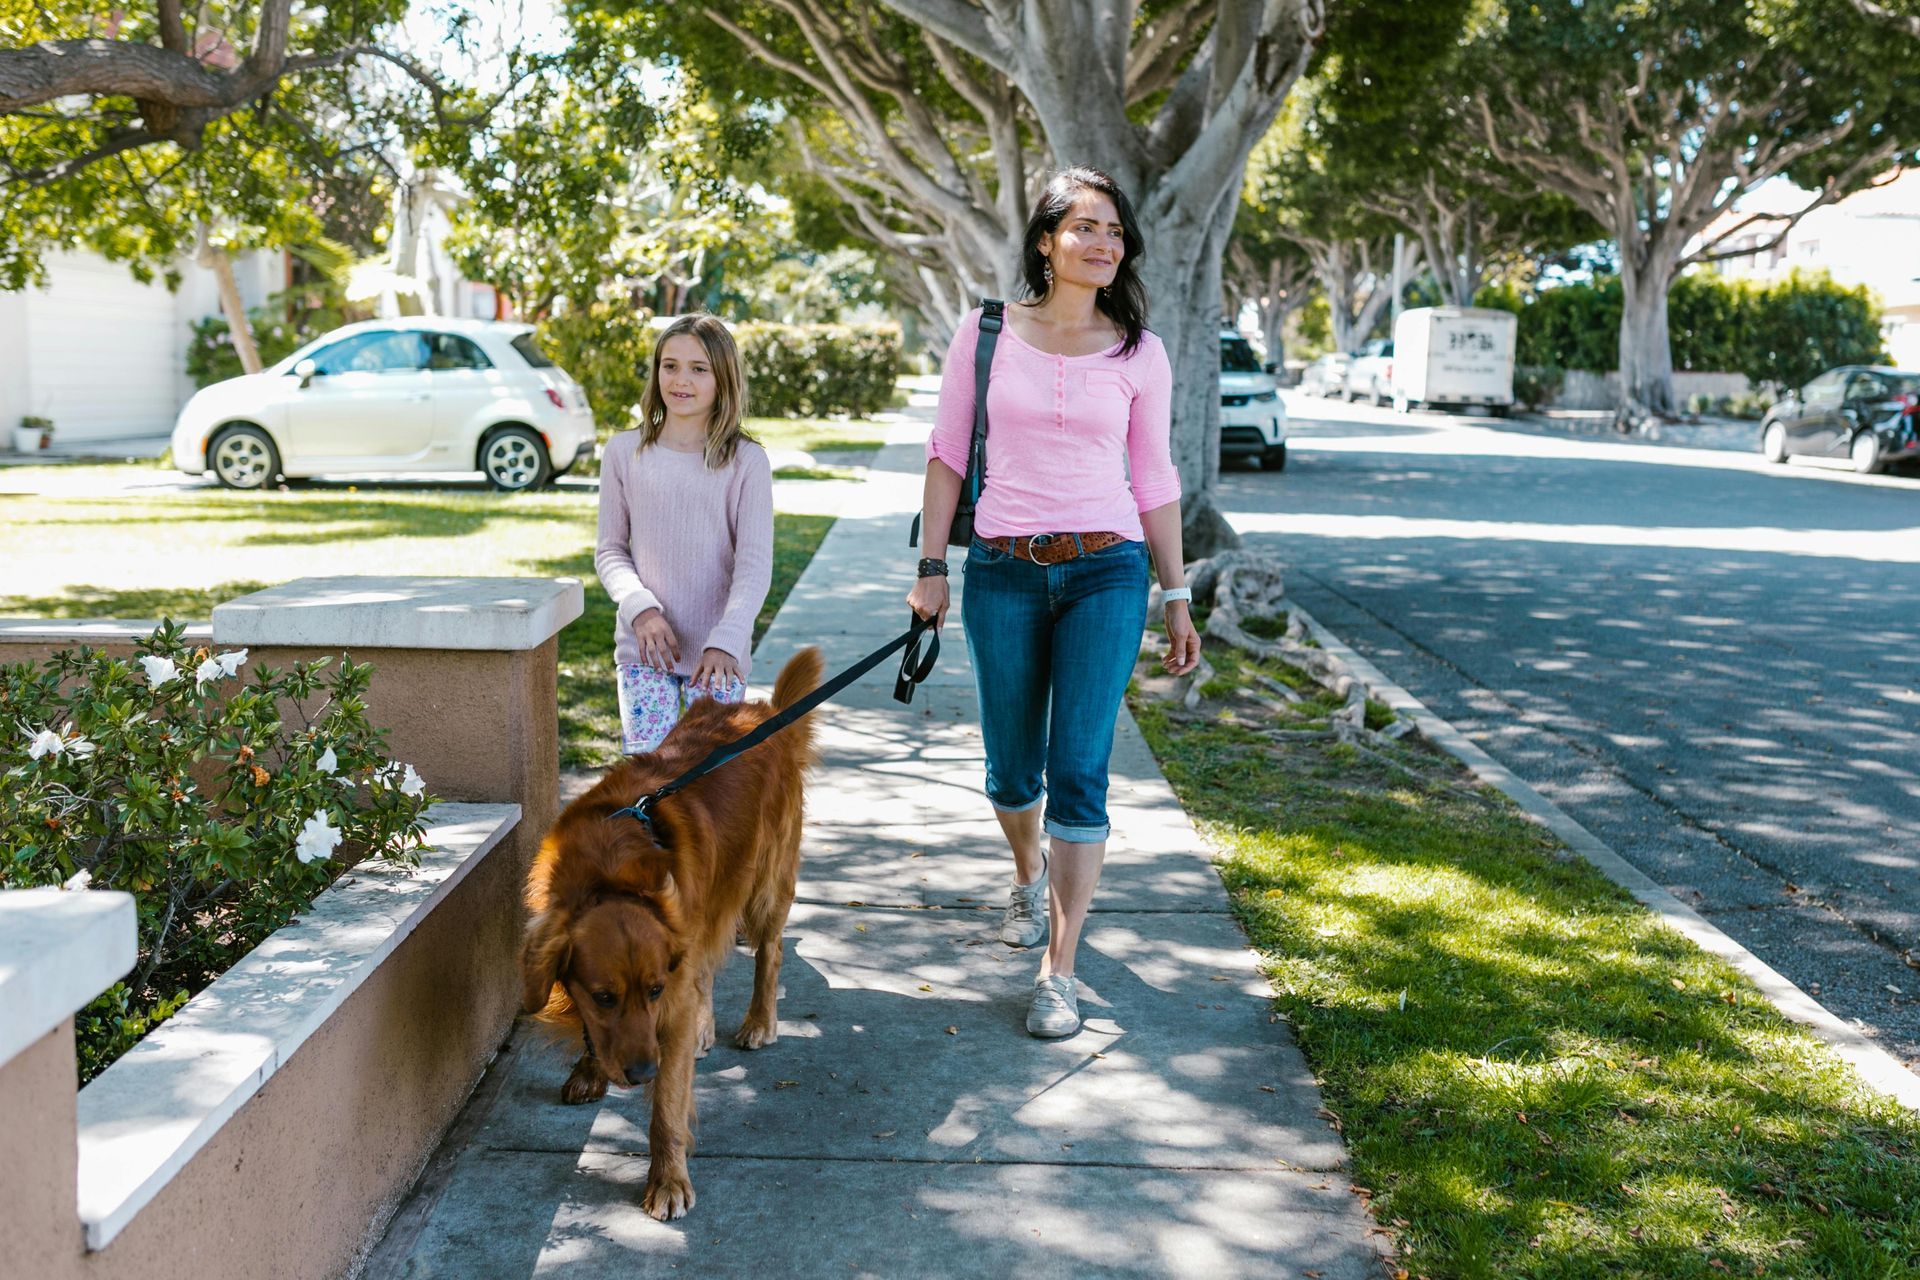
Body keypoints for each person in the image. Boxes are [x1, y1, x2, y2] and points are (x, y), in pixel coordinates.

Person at [906, 167, 1203, 1039]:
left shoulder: (1139, 350)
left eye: (1115, 230)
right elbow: (947, 450)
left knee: (1081, 769)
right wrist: (931, 565)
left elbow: (1153, 476)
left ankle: (1058, 973)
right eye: (1086, 227)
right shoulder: (986, 331)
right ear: (1047, 240)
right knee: (1010, 768)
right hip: (1002, 566)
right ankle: (1027, 874)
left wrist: (1177, 593)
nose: (1104, 243)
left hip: (1108, 569)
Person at [597, 314, 773, 755]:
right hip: (645, 653)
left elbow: (753, 567)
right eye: (669, 365)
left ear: (723, 379)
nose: (681, 380)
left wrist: (726, 641)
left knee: (710, 791)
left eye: (699, 369)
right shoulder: (623, 452)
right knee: (649, 786)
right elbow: (611, 551)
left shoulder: (747, 462)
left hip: (718, 659)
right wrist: (640, 610)